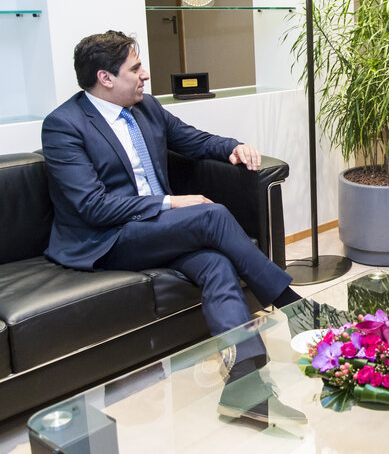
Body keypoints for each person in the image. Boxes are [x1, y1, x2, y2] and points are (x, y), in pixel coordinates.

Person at [41, 30, 304, 423]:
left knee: (217, 264)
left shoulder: (145, 107)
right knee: (210, 214)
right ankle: (295, 306)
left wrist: (233, 147)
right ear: (105, 77)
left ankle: (246, 391)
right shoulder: (64, 125)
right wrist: (171, 201)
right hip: (106, 238)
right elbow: (92, 206)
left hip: (155, 228)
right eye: (135, 68)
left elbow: (192, 140)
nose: (145, 75)